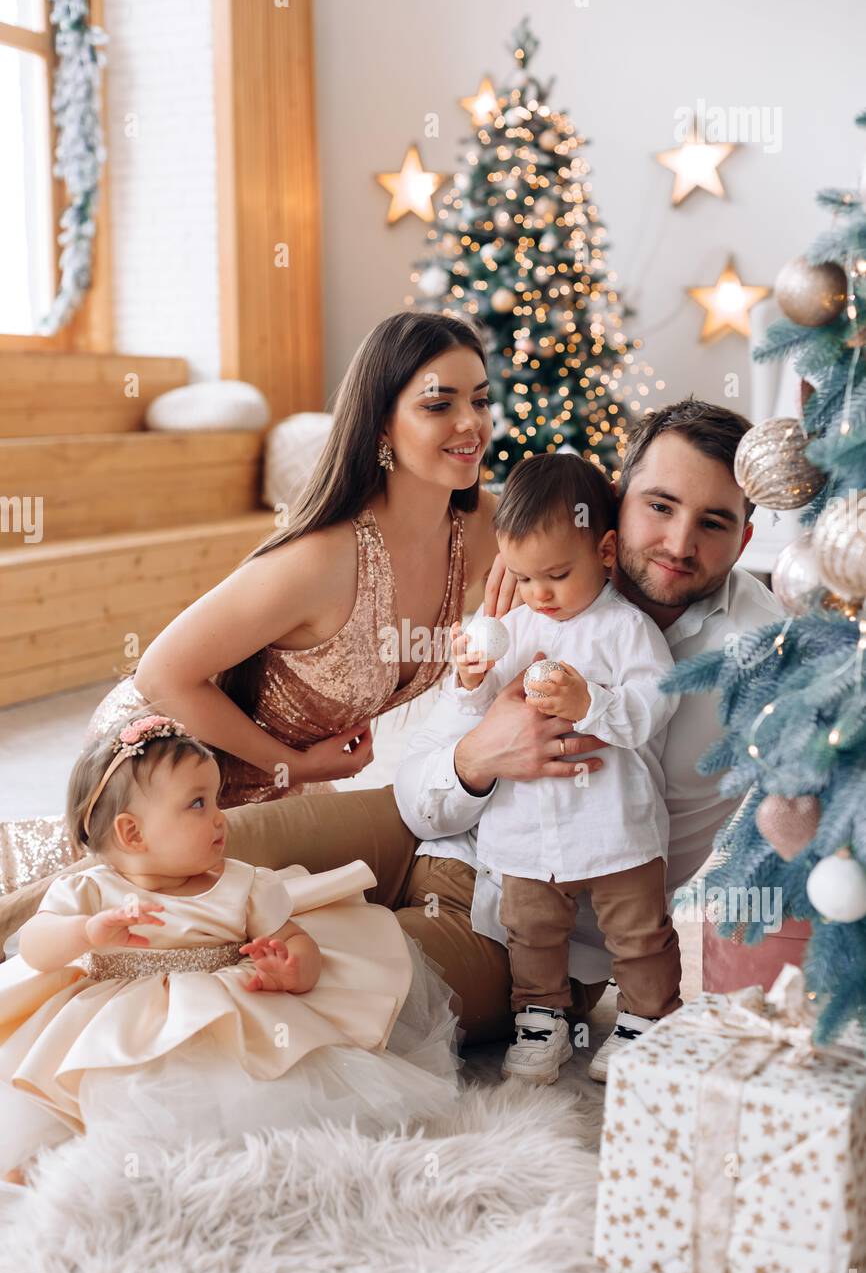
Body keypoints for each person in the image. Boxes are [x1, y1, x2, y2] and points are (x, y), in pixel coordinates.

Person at [0, 400, 785, 1061]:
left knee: (289, 972)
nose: (679, 543)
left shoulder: (770, 652)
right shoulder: (540, 580)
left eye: (713, 522)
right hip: (419, 823)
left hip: (528, 927)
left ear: (747, 538)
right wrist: (479, 755)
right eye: (659, 507)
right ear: (616, 504)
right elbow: (420, 779)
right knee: (176, 854)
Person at [0, 310, 502, 894]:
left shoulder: (487, 527)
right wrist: (302, 766)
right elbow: (162, 673)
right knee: (120, 930)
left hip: (280, 776)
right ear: (381, 427)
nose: (471, 424)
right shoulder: (323, 558)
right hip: (172, 763)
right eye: (438, 405)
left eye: (481, 400)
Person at [0, 716, 461, 1192]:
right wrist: (87, 932)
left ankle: (174, 1162)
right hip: (110, 1021)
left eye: (216, 798)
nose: (220, 816)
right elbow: (35, 947)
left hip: (221, 1017)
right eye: (198, 804)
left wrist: (291, 968)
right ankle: (52, 1152)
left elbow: (298, 939)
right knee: (78, 1085)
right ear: (132, 834)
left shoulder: (242, 884)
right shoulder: (88, 889)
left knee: (240, 1100)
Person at [446, 453, 681, 1084]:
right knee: (531, 930)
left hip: (613, 824)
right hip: (529, 828)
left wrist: (591, 703)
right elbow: (478, 713)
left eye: (555, 575)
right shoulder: (516, 628)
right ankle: (541, 1019)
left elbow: (653, 706)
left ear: (606, 551)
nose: (538, 594)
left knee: (638, 931)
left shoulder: (623, 630)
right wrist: (468, 678)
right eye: (523, 578)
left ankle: (647, 1019)